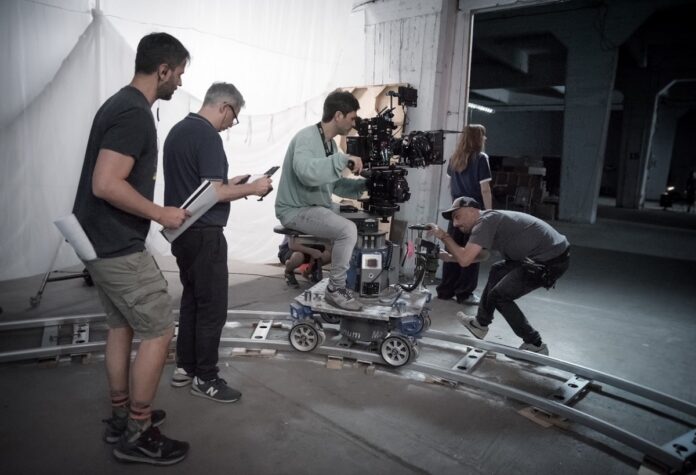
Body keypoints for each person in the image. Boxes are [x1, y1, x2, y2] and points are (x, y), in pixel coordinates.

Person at [72, 33, 190, 465]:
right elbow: (105, 183)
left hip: (97, 242)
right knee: (159, 329)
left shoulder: (116, 104)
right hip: (117, 244)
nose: (179, 82)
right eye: (178, 74)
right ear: (163, 70)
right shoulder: (135, 113)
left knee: (120, 325)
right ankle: (138, 433)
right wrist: (160, 213)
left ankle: (122, 416)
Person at [163, 82, 272, 402]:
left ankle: (186, 367)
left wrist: (229, 183)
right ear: (225, 107)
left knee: (192, 302)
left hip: (182, 234)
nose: (229, 125)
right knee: (212, 308)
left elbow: (201, 186)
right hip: (205, 234)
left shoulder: (178, 131)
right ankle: (206, 378)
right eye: (233, 118)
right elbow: (215, 193)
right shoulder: (208, 136)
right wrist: (253, 188)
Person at [428, 196, 570, 355]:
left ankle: (535, 344)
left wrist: (444, 236)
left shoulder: (485, 222)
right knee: (497, 270)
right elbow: (483, 256)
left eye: (457, 216)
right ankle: (480, 324)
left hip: (550, 259)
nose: (455, 224)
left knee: (500, 296)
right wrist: (449, 257)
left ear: (473, 210)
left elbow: (465, 260)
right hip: (544, 254)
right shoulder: (488, 221)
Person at [275, 91, 366, 311]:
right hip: (295, 209)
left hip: (316, 206)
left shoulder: (330, 145)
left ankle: (348, 282)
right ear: (338, 115)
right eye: (352, 118)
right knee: (347, 230)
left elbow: (333, 185)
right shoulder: (306, 138)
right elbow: (306, 173)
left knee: (361, 221)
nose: (354, 124)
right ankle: (336, 289)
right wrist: (343, 159)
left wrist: (364, 185)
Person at [436, 124, 492, 306]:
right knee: (471, 253)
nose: (485, 139)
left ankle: (445, 290)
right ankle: (464, 293)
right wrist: (489, 213)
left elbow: (450, 186)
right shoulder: (481, 158)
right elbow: (485, 189)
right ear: (478, 138)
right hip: (474, 213)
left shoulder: (454, 158)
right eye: (483, 136)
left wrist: (456, 209)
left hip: (456, 210)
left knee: (453, 249)